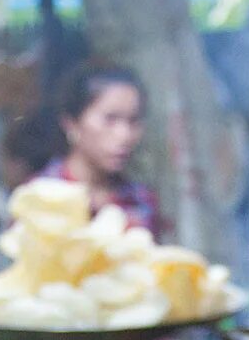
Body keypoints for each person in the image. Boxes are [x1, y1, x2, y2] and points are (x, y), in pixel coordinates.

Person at [31, 62, 161, 237]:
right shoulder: (39, 199)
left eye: (133, 121)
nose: (124, 135)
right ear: (71, 123)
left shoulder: (140, 200)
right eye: (110, 119)